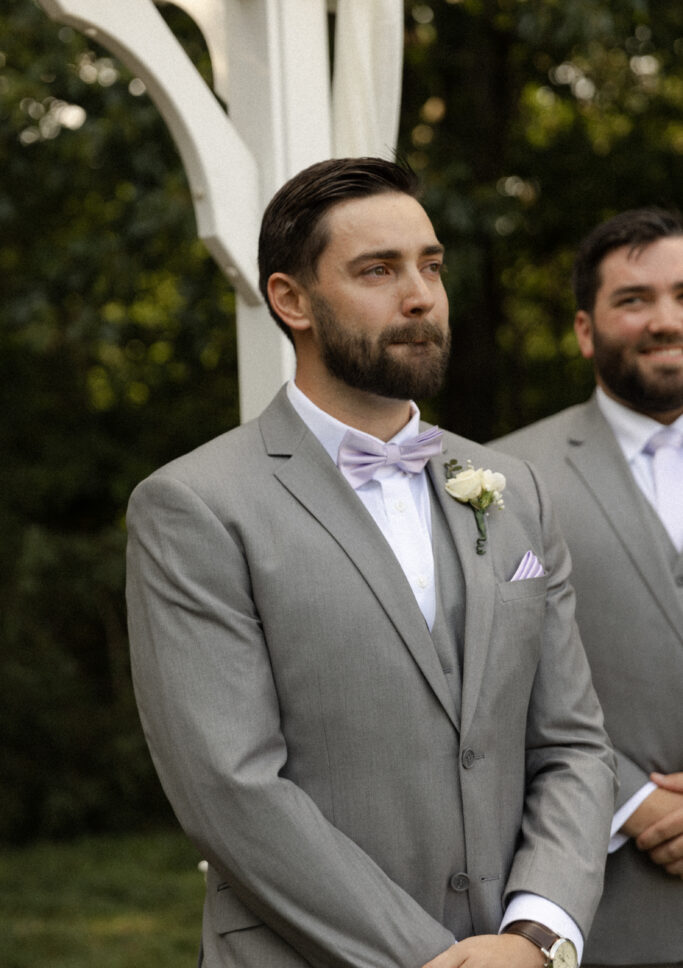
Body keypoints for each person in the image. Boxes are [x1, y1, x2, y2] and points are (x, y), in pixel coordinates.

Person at [126, 157, 616, 968]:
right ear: (291, 300)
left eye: (430, 266)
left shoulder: (510, 488)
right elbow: (231, 790)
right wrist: (433, 960)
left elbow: (571, 744)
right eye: (377, 270)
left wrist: (537, 935)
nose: (419, 295)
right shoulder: (194, 505)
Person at [495, 207, 683, 967]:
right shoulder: (506, 477)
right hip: (607, 908)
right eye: (633, 299)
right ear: (583, 329)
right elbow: (494, 680)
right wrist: (632, 802)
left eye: (682, 294)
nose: (664, 320)